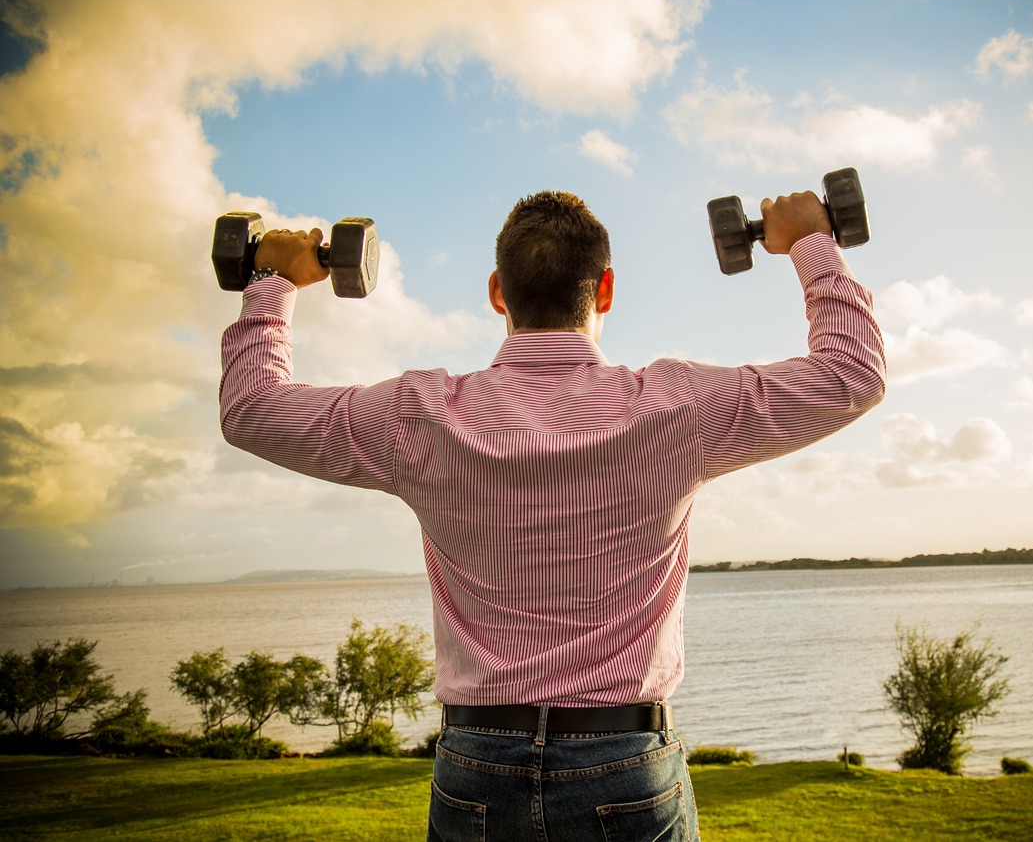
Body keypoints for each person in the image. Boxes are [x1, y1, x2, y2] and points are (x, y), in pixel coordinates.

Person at [219, 187, 886, 841]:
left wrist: (274, 279)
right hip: (623, 760)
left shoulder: (415, 416)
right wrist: (809, 240)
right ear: (605, 291)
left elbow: (250, 407)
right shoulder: (677, 407)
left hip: (478, 761)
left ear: (497, 293)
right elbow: (852, 372)